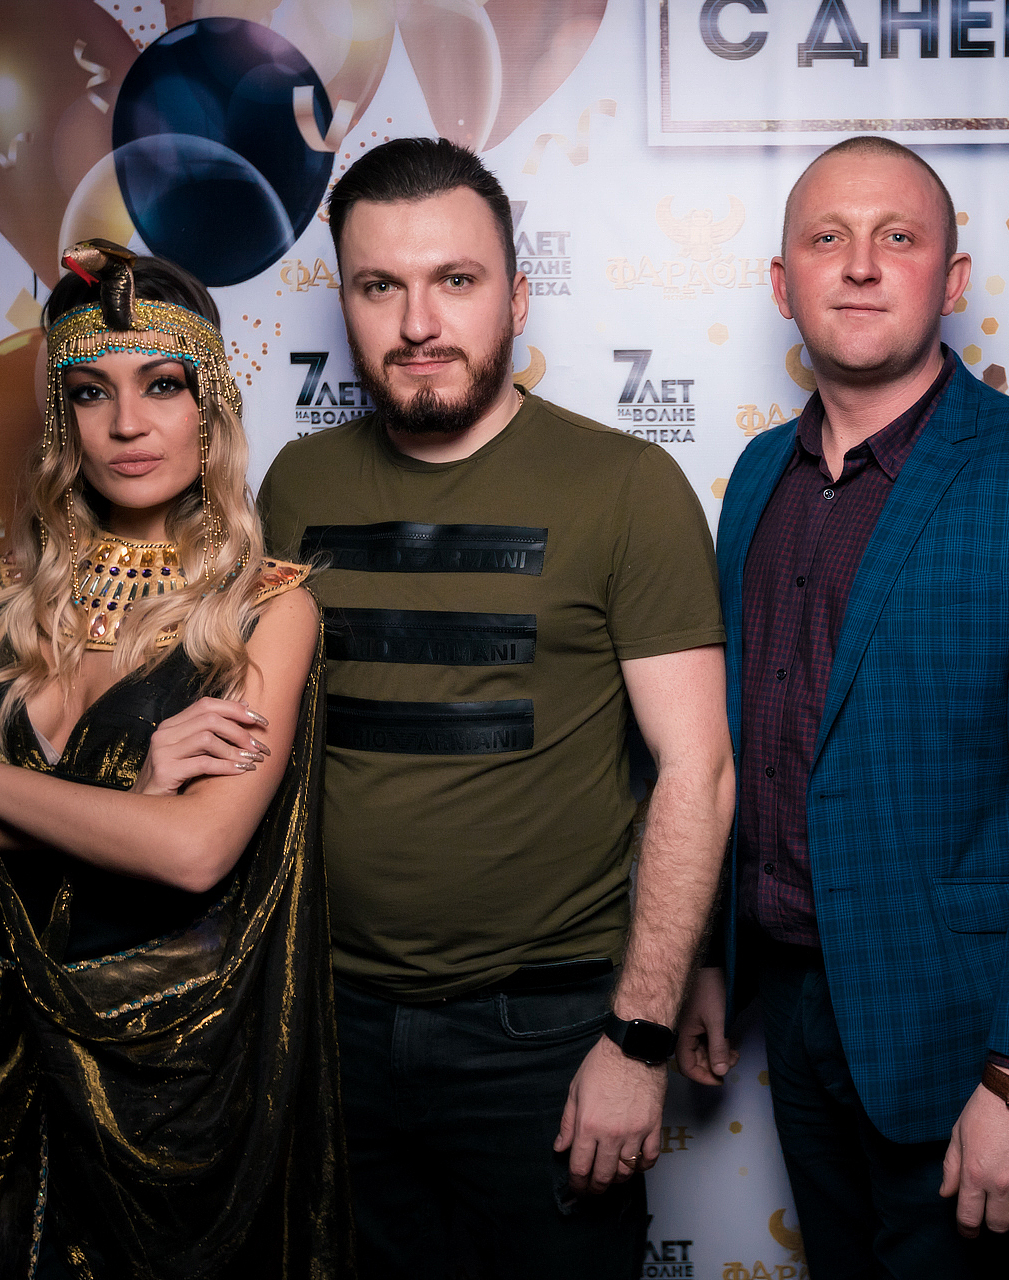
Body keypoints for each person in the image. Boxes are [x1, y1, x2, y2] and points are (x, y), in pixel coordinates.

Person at [675, 135, 1009, 1276]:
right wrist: (708, 954)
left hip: (963, 1030)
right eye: (827, 238)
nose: (860, 264)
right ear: (782, 283)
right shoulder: (757, 476)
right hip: (795, 1003)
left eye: (897, 237)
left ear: (952, 280)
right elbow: (740, 739)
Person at [0, 242, 347, 1276]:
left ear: (212, 403)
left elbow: (193, 852)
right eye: (91, 392)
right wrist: (121, 805)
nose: (127, 423)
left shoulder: (268, 610)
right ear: (63, 420)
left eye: (163, 384)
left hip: (167, 1081)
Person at [256, 137, 733, 1277]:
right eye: (381, 285)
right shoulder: (295, 484)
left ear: (516, 298)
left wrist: (637, 1037)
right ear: (345, 301)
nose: (419, 322)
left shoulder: (627, 487)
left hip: (544, 1034)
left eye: (456, 280)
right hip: (330, 1017)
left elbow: (697, 772)